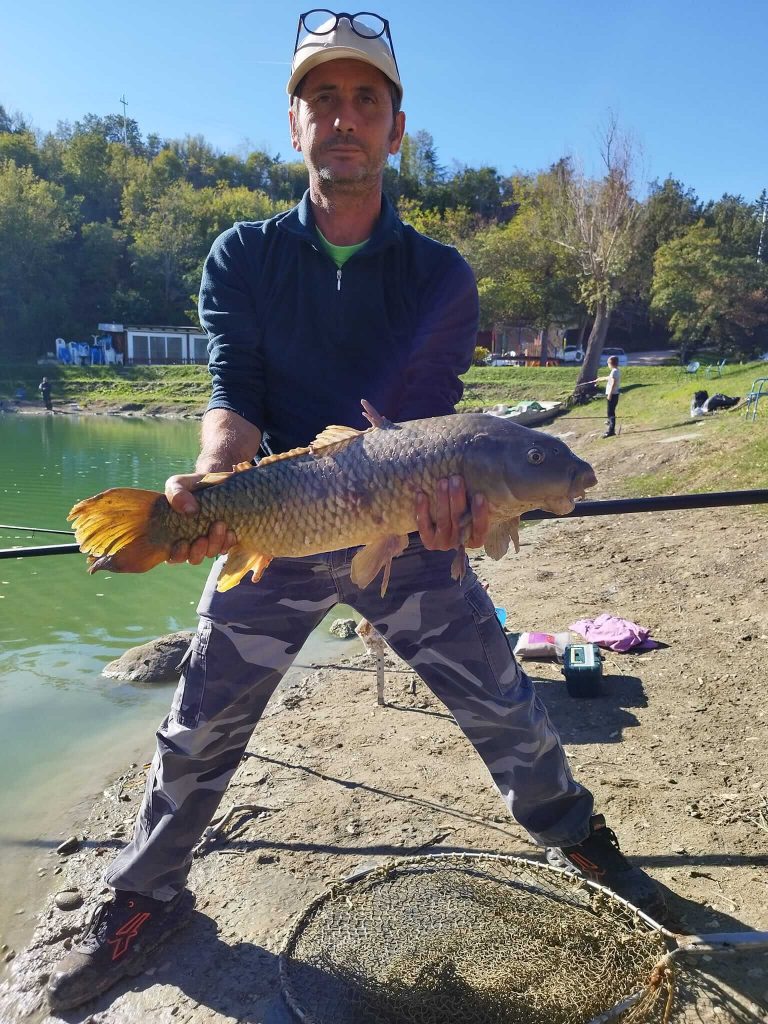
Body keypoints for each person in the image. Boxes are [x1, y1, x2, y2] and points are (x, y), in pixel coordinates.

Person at [47, 11, 667, 1012]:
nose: (344, 117)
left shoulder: (440, 276)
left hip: (397, 526)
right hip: (276, 520)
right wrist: (207, 488)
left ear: (395, 127)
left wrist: (458, 518)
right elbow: (233, 393)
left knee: (505, 702)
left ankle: (576, 837)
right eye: (323, 98)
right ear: (295, 123)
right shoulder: (242, 257)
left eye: (365, 100)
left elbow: (428, 426)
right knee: (197, 721)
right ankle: (143, 897)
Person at [597, 355, 621, 437]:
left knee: (611, 413)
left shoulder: (614, 371)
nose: (607, 364)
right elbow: (609, 378)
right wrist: (600, 379)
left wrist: (610, 394)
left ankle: (611, 431)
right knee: (610, 412)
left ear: (611, 363)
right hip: (615, 394)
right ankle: (610, 423)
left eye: (608, 363)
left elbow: (613, 382)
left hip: (613, 394)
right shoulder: (616, 370)